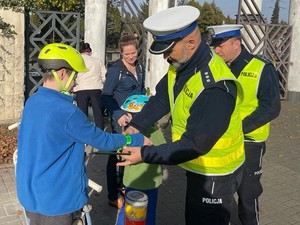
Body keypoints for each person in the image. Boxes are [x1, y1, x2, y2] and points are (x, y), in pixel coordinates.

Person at [118, 6, 246, 225]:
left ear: (191, 43)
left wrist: (145, 154)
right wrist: (137, 125)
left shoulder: (215, 86)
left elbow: (195, 143)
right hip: (196, 166)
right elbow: (161, 98)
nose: (166, 57)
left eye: (169, 50)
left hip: (216, 176)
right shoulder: (181, 64)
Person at [16, 43, 150, 225]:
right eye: (75, 75)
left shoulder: (32, 102)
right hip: (58, 201)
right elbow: (104, 140)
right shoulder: (67, 112)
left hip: (31, 194)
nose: (76, 81)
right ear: (62, 73)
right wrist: (136, 138)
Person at [206, 24, 281, 225]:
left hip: (249, 143)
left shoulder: (261, 67)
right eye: (214, 46)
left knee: (247, 197)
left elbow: (271, 108)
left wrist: (238, 129)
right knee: (221, 196)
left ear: (236, 43)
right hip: (222, 144)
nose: (216, 50)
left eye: (220, 45)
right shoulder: (216, 67)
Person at [101, 35, 146, 209]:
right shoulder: (116, 70)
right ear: (121, 53)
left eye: (133, 53)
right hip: (119, 122)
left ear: (137, 50)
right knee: (116, 156)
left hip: (136, 121)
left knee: (130, 153)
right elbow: (105, 96)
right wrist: (118, 113)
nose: (130, 57)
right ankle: (113, 195)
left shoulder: (140, 66)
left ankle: (124, 186)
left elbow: (140, 91)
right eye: (126, 54)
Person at [115, 95, 166, 225]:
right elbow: (164, 152)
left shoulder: (129, 135)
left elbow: (120, 155)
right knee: (149, 213)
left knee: (128, 213)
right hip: (152, 183)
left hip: (134, 182)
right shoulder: (156, 132)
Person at [74, 42, 106, 129]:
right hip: (96, 88)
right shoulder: (97, 60)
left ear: (80, 51)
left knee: (82, 113)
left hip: (81, 89)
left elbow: (74, 76)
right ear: (90, 51)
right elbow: (104, 75)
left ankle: (83, 134)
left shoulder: (77, 61)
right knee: (98, 113)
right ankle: (100, 134)